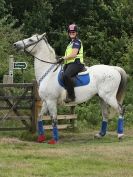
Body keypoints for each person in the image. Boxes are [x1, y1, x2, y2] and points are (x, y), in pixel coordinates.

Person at [61, 23, 84, 103]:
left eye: (73, 32)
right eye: (70, 32)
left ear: (76, 33)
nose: (71, 33)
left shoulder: (77, 42)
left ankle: (72, 96)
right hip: (69, 64)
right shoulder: (70, 43)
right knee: (61, 75)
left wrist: (63, 58)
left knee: (66, 75)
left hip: (77, 64)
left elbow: (73, 54)